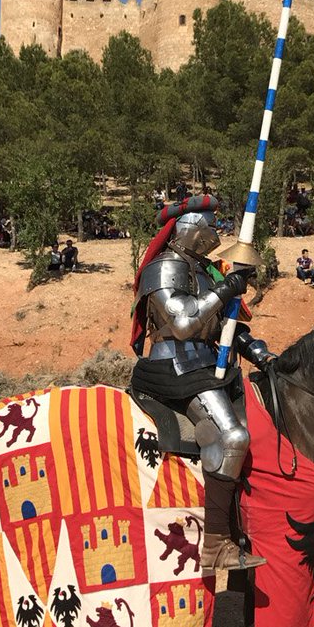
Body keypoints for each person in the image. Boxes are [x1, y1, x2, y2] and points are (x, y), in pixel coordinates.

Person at [130, 195, 274, 573]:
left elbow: (225, 326)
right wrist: (226, 288)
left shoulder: (202, 269)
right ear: (190, 229)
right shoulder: (164, 268)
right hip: (174, 368)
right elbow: (182, 323)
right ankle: (215, 546)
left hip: (206, 363)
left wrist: (260, 353)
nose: (217, 232)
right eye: (211, 225)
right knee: (233, 438)